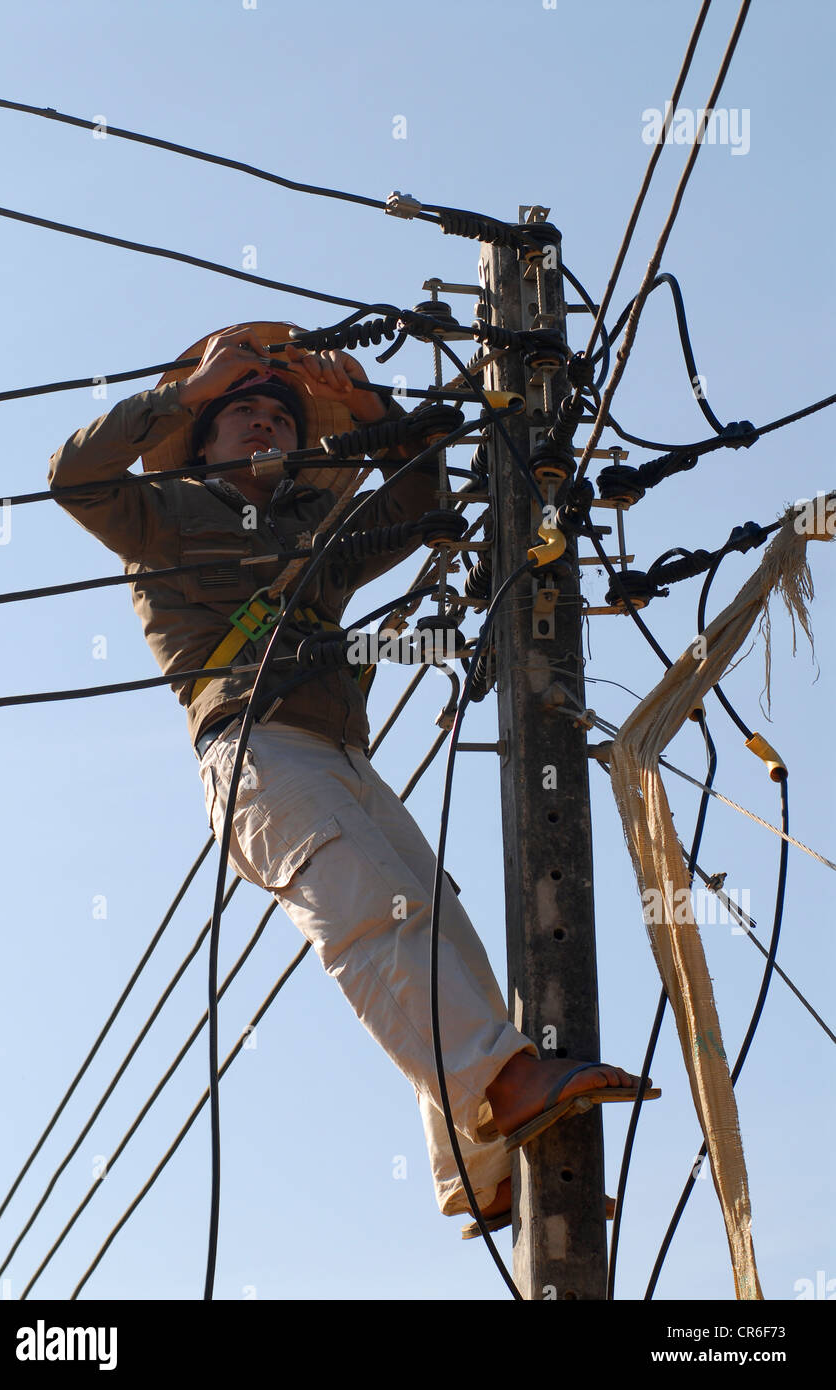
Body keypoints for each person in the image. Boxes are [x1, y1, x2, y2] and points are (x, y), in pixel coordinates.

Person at [48, 319, 655, 1236]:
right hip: (257, 750)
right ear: (203, 438)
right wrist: (179, 393)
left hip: (339, 755)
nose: (265, 426)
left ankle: (480, 1164)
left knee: (435, 920)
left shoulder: (315, 536)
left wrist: (382, 414)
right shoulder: (162, 517)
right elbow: (73, 476)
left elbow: (415, 508)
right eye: (241, 413)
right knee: (372, 913)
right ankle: (509, 1083)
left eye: (283, 419)